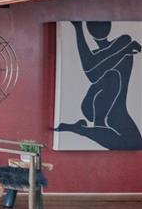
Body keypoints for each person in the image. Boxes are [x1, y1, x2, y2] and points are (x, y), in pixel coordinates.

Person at [55, 21, 142, 150]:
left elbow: (92, 67)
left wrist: (79, 29)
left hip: (118, 110)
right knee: (112, 76)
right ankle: (97, 124)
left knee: (136, 143)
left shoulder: (124, 41)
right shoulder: (119, 49)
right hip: (94, 105)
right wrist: (78, 29)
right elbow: (92, 74)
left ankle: (79, 129)